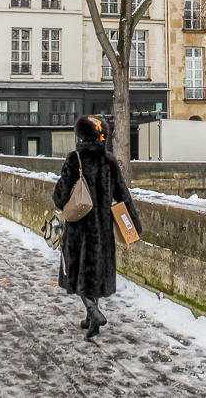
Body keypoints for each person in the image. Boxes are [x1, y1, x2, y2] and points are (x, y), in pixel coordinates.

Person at [52, 115, 142, 339]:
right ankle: (91, 317)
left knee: (76, 269)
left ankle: (92, 310)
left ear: (81, 136)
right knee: (95, 270)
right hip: (102, 227)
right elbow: (123, 194)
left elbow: (59, 197)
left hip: (78, 227)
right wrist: (134, 223)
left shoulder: (75, 159)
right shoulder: (109, 160)